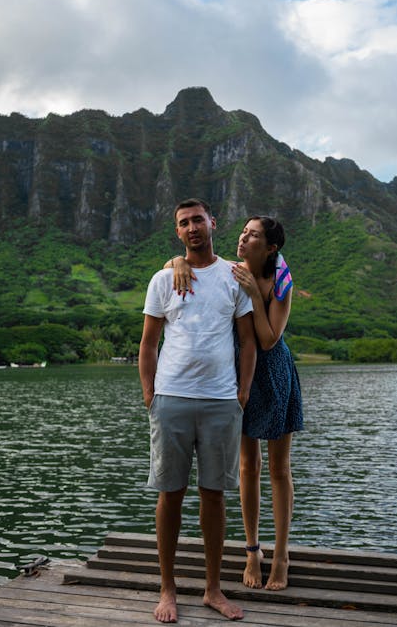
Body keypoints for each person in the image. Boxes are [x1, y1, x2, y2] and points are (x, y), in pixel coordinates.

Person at [170, 216, 303, 591]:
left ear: (271, 247)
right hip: (239, 372)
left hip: (274, 374)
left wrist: (252, 296)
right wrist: (179, 262)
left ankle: (281, 555)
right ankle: (252, 551)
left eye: (254, 235)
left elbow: (269, 339)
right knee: (247, 465)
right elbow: (173, 266)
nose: (244, 238)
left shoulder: (281, 279)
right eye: (243, 232)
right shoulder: (229, 269)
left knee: (278, 468)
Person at [139, 198, 256, 624]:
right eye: (184, 223)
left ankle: (212, 589)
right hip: (171, 400)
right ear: (178, 232)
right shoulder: (163, 279)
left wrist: (241, 392)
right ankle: (167, 588)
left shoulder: (232, 276)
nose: (192, 228)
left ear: (212, 223)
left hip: (221, 402)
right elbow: (149, 342)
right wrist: (151, 394)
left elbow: (247, 341)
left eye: (198, 220)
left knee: (214, 494)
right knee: (171, 493)